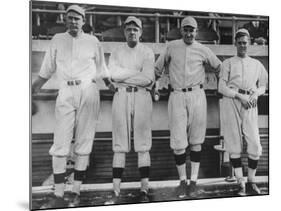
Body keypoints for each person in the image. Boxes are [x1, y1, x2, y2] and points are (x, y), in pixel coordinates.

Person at [32, 5, 110, 208]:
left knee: (84, 143)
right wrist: (30, 90)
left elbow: (102, 71)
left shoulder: (93, 41)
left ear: (84, 20)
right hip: (65, 91)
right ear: (65, 20)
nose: (73, 21)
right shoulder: (57, 39)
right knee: (60, 144)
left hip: (89, 91)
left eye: (77, 18)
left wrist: (114, 88)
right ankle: (58, 194)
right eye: (70, 18)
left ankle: (75, 191)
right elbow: (45, 71)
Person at [155, 16, 222, 198]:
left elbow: (219, 67)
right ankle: (182, 181)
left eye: (192, 30)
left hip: (197, 95)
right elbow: (156, 69)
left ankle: (193, 182)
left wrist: (221, 87)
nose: (189, 33)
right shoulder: (171, 46)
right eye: (186, 29)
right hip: (177, 95)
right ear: (181, 30)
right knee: (178, 142)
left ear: (196, 31)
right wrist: (154, 86)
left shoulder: (203, 49)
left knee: (196, 140)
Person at [104, 16, 155, 204]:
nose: (132, 32)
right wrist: (135, 75)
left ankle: (144, 189)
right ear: (124, 31)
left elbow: (148, 79)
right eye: (128, 29)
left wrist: (123, 76)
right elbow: (112, 75)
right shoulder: (117, 51)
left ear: (140, 32)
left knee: (143, 143)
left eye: (135, 29)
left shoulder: (147, 52)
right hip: (122, 95)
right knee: (119, 143)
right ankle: (115, 190)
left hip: (141, 96)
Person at [218, 28, 268, 196]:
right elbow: (221, 87)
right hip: (232, 100)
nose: (242, 46)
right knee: (234, 143)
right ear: (235, 44)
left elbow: (263, 85)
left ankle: (252, 181)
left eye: (245, 43)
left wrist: (255, 94)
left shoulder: (256, 64)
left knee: (254, 143)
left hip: (250, 103)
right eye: (239, 43)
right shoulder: (228, 63)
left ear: (249, 43)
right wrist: (239, 96)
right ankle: (241, 182)